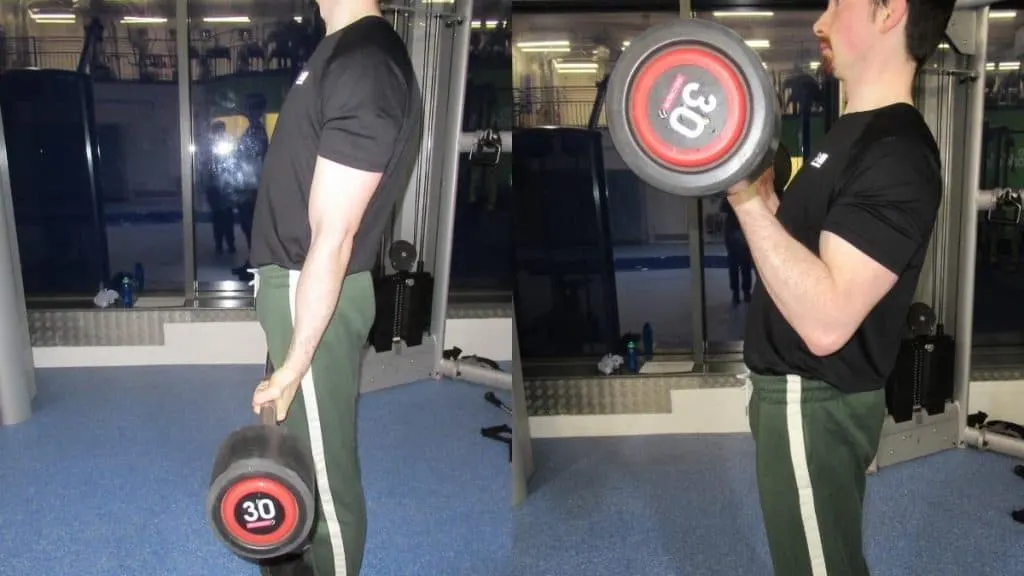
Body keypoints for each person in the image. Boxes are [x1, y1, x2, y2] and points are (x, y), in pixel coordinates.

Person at [726, 0, 955, 574]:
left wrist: (743, 200)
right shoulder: (854, 133)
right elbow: (810, 259)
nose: (819, 22)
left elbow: (827, 321)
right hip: (799, 397)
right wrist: (767, 198)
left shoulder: (897, 153)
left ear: (889, 12)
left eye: (836, 4)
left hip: (814, 399)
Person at [245, 0, 423, 574]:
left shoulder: (366, 62)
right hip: (296, 283)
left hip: (312, 287)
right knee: (295, 448)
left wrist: (297, 359)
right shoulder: (339, 51)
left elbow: (335, 233)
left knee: (327, 473)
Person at [720, 144, 793, 305]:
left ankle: (738, 294)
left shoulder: (735, 181)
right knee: (747, 262)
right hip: (743, 229)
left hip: (736, 228)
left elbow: (724, 208)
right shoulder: (772, 187)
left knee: (736, 263)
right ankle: (746, 293)